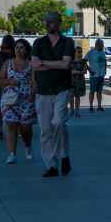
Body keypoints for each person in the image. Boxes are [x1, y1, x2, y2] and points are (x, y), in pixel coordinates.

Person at [32, 14, 78, 177]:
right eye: (48, 22)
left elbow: (66, 64)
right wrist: (55, 64)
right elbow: (35, 65)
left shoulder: (67, 42)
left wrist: (44, 63)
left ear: (59, 24)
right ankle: (51, 165)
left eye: (54, 22)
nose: (51, 24)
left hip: (61, 89)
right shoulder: (39, 43)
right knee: (45, 129)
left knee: (58, 122)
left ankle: (63, 155)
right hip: (43, 90)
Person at [0, 36, 36, 165]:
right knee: (11, 125)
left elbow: (35, 82)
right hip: (10, 100)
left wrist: (33, 94)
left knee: (25, 127)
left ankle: (27, 145)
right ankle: (12, 154)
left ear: (26, 50)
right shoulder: (8, 63)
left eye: (21, 48)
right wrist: (9, 81)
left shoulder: (31, 65)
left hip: (26, 100)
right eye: (17, 47)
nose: (19, 50)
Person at [84, 39, 109, 111]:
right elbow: (84, 61)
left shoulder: (102, 52)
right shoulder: (91, 53)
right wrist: (89, 70)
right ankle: (91, 106)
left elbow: (104, 61)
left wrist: (105, 70)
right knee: (92, 91)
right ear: (97, 45)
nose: (102, 47)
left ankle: (99, 106)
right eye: (102, 45)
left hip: (101, 75)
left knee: (99, 91)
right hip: (94, 75)